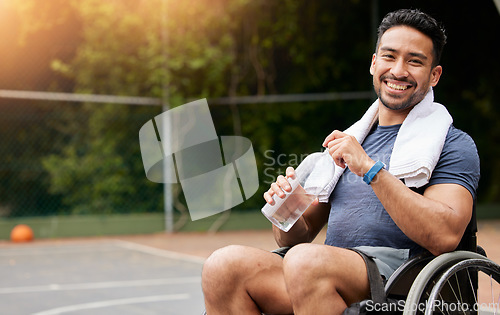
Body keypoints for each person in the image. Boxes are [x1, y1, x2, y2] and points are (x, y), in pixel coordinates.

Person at [201, 8, 480, 315]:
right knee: (223, 266)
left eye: (414, 61)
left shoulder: (452, 143)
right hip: (320, 274)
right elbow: (299, 236)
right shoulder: (350, 140)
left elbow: (444, 235)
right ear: (374, 64)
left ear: (434, 75)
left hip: (403, 282)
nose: (398, 70)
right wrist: (286, 209)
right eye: (389, 56)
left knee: (306, 261)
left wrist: (370, 169)